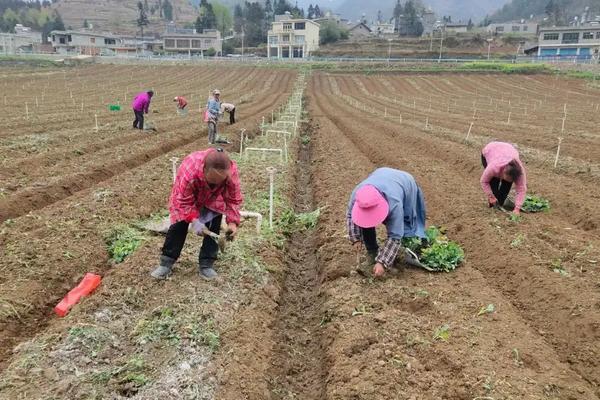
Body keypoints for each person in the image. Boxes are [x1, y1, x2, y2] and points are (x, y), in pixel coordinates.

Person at [151, 148, 243, 280]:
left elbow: (232, 199)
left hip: (214, 197)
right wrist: (195, 221)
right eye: (212, 180)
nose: (215, 183)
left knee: (214, 224)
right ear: (204, 170)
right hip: (189, 196)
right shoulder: (190, 169)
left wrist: (233, 223)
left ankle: (207, 264)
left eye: (220, 181)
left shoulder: (230, 172)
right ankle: (166, 262)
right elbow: (183, 202)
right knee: (179, 224)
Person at [347, 168, 427, 278]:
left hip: (405, 183)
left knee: (405, 224)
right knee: (366, 222)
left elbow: (395, 236)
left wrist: (382, 263)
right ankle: (372, 251)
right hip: (382, 174)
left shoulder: (395, 204)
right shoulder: (358, 195)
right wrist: (355, 238)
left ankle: (414, 245)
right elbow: (351, 216)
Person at [480, 141, 527, 215]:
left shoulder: (519, 172)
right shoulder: (493, 168)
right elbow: (484, 181)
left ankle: (500, 203)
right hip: (490, 150)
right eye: (506, 177)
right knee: (494, 182)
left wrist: (517, 208)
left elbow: (521, 189)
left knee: (506, 185)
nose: (508, 180)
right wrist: (491, 196)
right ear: (504, 172)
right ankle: (493, 206)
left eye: (511, 180)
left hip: (508, 150)